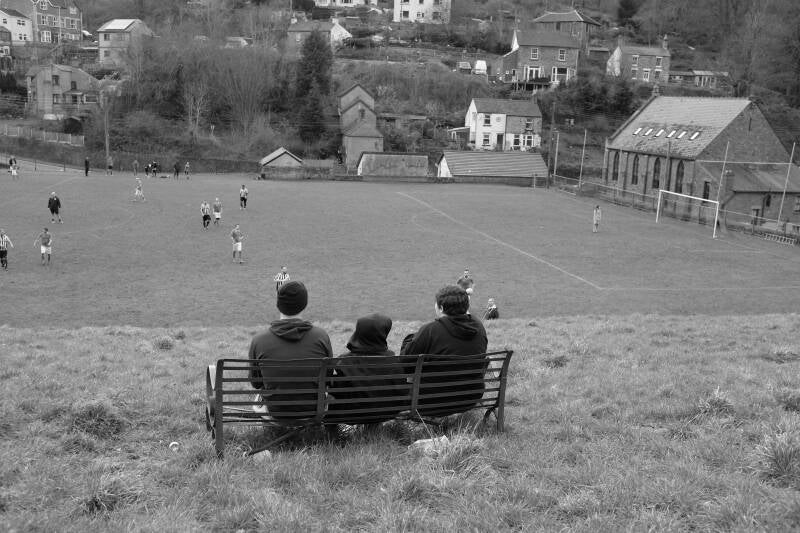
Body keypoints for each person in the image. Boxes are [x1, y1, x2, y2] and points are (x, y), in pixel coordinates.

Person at [247, 281, 333, 418]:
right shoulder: (321, 337)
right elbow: (328, 379)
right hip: (314, 410)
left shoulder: (259, 340)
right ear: (304, 304)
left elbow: (256, 383)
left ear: (278, 304)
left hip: (275, 412)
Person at [400, 285, 489, 416]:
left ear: (441, 308)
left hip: (430, 402)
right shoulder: (479, 327)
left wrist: (409, 340)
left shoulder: (430, 330)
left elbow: (405, 365)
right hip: (470, 398)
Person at [329, 313, 410, 423]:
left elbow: (340, 392)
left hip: (350, 413)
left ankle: (332, 431)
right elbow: (402, 391)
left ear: (358, 332)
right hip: (387, 412)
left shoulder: (343, 361)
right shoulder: (393, 361)